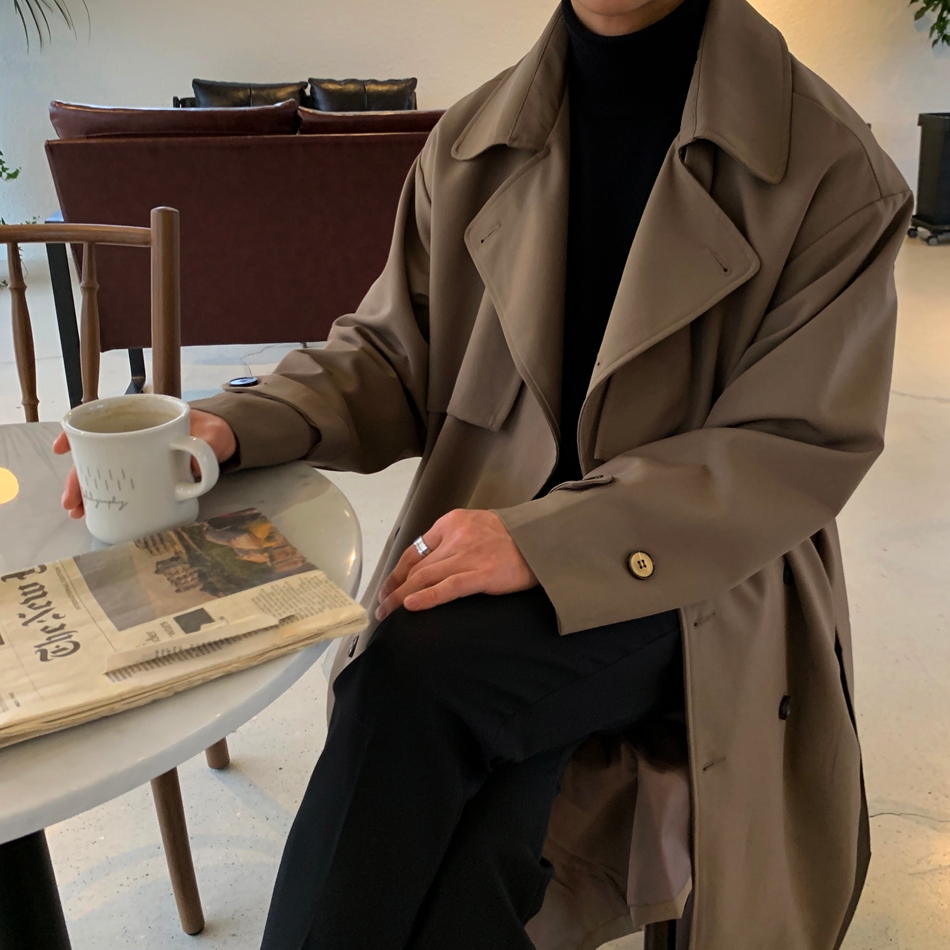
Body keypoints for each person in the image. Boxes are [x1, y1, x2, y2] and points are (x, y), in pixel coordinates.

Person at [57, 0, 913, 945]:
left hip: (701, 579)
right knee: (477, 833)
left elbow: (788, 445)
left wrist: (547, 541)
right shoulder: (472, 142)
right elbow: (393, 356)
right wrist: (233, 422)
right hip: (490, 542)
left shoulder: (830, 167)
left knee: (413, 668)